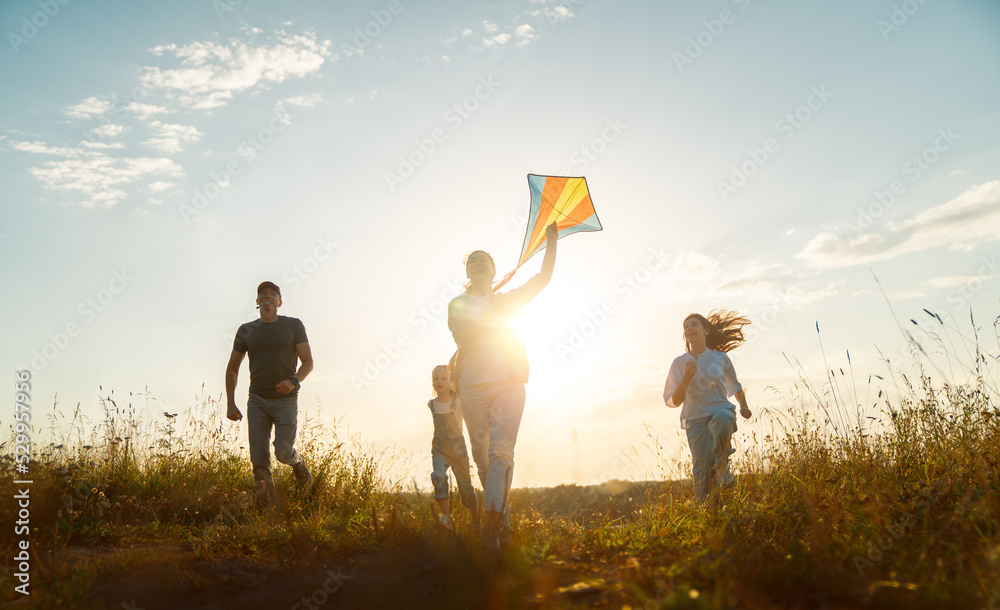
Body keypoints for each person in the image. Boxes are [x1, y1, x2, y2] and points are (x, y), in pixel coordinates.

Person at [448, 221, 558, 549]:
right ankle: (501, 515)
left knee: (501, 453)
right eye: (473, 261)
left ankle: (490, 534)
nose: (479, 263)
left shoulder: (507, 300)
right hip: (471, 388)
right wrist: (493, 311)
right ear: (469, 271)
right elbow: (463, 334)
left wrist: (551, 242)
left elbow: (542, 279)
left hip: (509, 383)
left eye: (485, 260)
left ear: (494, 269)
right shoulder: (458, 304)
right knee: (483, 462)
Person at [226, 281, 314, 506]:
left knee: (283, 454)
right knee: (259, 458)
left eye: (272, 294)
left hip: (286, 400)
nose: (267, 296)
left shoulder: (293, 326)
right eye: (262, 294)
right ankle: (269, 511)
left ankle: (299, 466)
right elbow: (232, 368)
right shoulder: (246, 330)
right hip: (257, 400)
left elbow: (308, 362)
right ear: (257, 302)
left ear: (279, 302)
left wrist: (293, 381)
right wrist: (230, 403)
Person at [662, 310, 752, 501]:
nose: (689, 328)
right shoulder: (679, 363)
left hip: (721, 410)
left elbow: (735, 386)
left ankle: (722, 468)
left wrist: (743, 406)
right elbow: (674, 401)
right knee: (702, 473)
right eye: (685, 327)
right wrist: (686, 377)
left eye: (694, 324)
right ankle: (710, 516)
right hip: (694, 422)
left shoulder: (721, 358)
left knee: (721, 419)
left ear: (706, 330)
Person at [426, 364, 480, 534]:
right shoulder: (431, 404)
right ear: (432, 382)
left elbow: (471, 418)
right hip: (440, 449)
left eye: (443, 378)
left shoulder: (458, 403)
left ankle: (475, 520)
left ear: (450, 380)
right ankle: (447, 517)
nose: (439, 381)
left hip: (457, 450)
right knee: (439, 477)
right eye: (436, 378)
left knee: (465, 486)